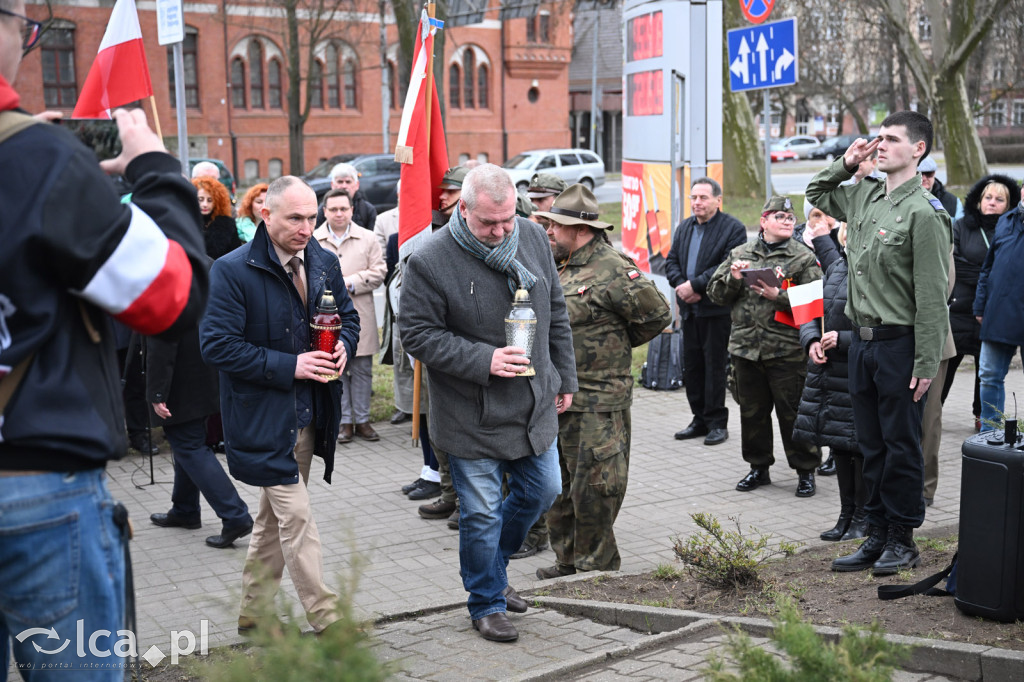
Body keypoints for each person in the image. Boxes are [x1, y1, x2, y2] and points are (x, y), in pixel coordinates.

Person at [0, 2, 209, 670]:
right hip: (33, 490)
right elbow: (172, 297)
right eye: (27, 29)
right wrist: (155, 169)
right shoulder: (41, 162)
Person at [399, 164, 577, 643]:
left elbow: (555, 312)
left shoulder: (533, 238)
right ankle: (486, 601)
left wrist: (566, 377)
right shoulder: (429, 260)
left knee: (543, 491)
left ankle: (491, 574)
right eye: (488, 224)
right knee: (480, 514)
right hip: (469, 413)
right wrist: (484, 359)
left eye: (507, 221)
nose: (501, 232)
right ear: (462, 208)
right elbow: (416, 335)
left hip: (533, 405)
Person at [199, 176, 360, 635]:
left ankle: (253, 614)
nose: (307, 227)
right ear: (264, 215)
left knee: (272, 523)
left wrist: (346, 344)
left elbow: (348, 317)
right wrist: (290, 365)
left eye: (312, 217)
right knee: (298, 519)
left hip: (309, 418)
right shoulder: (231, 269)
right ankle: (328, 619)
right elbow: (217, 346)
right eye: (296, 218)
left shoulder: (324, 262)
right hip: (261, 421)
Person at [806, 111, 952, 576]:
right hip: (862, 345)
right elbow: (817, 195)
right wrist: (846, 165)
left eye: (891, 139)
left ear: (919, 149)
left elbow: (933, 298)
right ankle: (875, 533)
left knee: (900, 445)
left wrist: (926, 362)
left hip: (900, 345)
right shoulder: (867, 196)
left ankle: (902, 538)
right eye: (878, 138)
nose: (880, 146)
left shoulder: (925, 213)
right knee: (869, 443)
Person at [533, 185, 670, 580]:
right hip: (557, 397)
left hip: (597, 399)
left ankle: (597, 570)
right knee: (558, 485)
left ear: (577, 229)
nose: (548, 232)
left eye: (554, 226)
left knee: (595, 486)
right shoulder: (558, 263)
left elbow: (657, 315)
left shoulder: (613, 268)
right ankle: (568, 559)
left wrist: (612, 347)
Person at [707, 196, 823, 497]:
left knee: (794, 414)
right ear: (764, 221)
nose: (787, 221)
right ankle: (758, 467)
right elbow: (716, 295)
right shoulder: (740, 253)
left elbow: (816, 305)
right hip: (746, 349)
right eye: (780, 216)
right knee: (752, 413)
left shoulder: (802, 257)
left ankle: (805, 470)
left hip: (786, 351)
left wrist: (779, 296)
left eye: (790, 217)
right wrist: (733, 278)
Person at [147, 290, 254, 549]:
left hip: (180, 380)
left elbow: (163, 339)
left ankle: (235, 515)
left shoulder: (166, 270)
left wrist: (157, 390)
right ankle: (184, 510)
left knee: (189, 445)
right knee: (187, 442)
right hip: (206, 369)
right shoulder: (205, 265)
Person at [791, 219, 868, 541]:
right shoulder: (837, 268)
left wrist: (846, 340)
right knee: (840, 448)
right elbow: (811, 312)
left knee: (860, 450)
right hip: (830, 374)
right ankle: (845, 515)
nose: (849, 242)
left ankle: (864, 518)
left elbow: (888, 331)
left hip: (858, 372)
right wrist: (810, 341)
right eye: (846, 237)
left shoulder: (875, 275)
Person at [665, 178, 747, 446]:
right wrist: (681, 286)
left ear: (717, 201)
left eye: (703, 197)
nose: (697, 202)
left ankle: (717, 423)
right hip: (689, 310)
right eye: (693, 197)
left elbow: (728, 264)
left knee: (714, 367)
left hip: (716, 310)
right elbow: (672, 261)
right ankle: (698, 418)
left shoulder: (733, 228)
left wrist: (696, 285)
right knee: (693, 367)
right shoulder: (684, 228)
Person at [941, 175, 1020, 430]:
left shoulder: (1008, 224)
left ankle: (983, 419)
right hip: (965, 306)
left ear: (1009, 204)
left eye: (999, 199)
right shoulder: (962, 226)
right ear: (978, 200)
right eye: (988, 198)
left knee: (983, 370)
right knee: (952, 365)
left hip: (997, 308)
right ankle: (932, 412)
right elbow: (956, 263)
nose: (992, 203)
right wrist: (993, 276)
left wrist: (993, 276)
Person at [314, 188, 387, 444]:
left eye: (343, 209)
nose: (338, 214)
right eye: (333, 209)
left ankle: (363, 420)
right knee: (337, 370)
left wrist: (350, 282)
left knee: (363, 369)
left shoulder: (367, 238)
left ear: (352, 210)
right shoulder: (314, 239)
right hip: (326, 319)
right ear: (325, 212)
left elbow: (379, 272)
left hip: (360, 313)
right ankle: (344, 421)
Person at [974, 188, 1024, 432]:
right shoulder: (1007, 220)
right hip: (1000, 311)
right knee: (989, 376)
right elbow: (988, 268)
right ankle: (990, 436)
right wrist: (980, 304)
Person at [315, 162, 377, 231]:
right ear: (332, 185)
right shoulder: (322, 210)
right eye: (340, 182)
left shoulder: (368, 210)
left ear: (357, 185)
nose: (344, 186)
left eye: (348, 182)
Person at [192, 175, 242, 259]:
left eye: (210, 200)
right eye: (200, 199)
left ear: (217, 201)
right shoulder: (187, 221)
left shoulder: (227, 224)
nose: (205, 204)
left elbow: (235, 254)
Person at [919, 157, 964, 222]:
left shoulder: (954, 202)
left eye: (929, 174)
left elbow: (961, 230)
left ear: (934, 173)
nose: (924, 178)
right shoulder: (905, 200)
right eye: (919, 174)